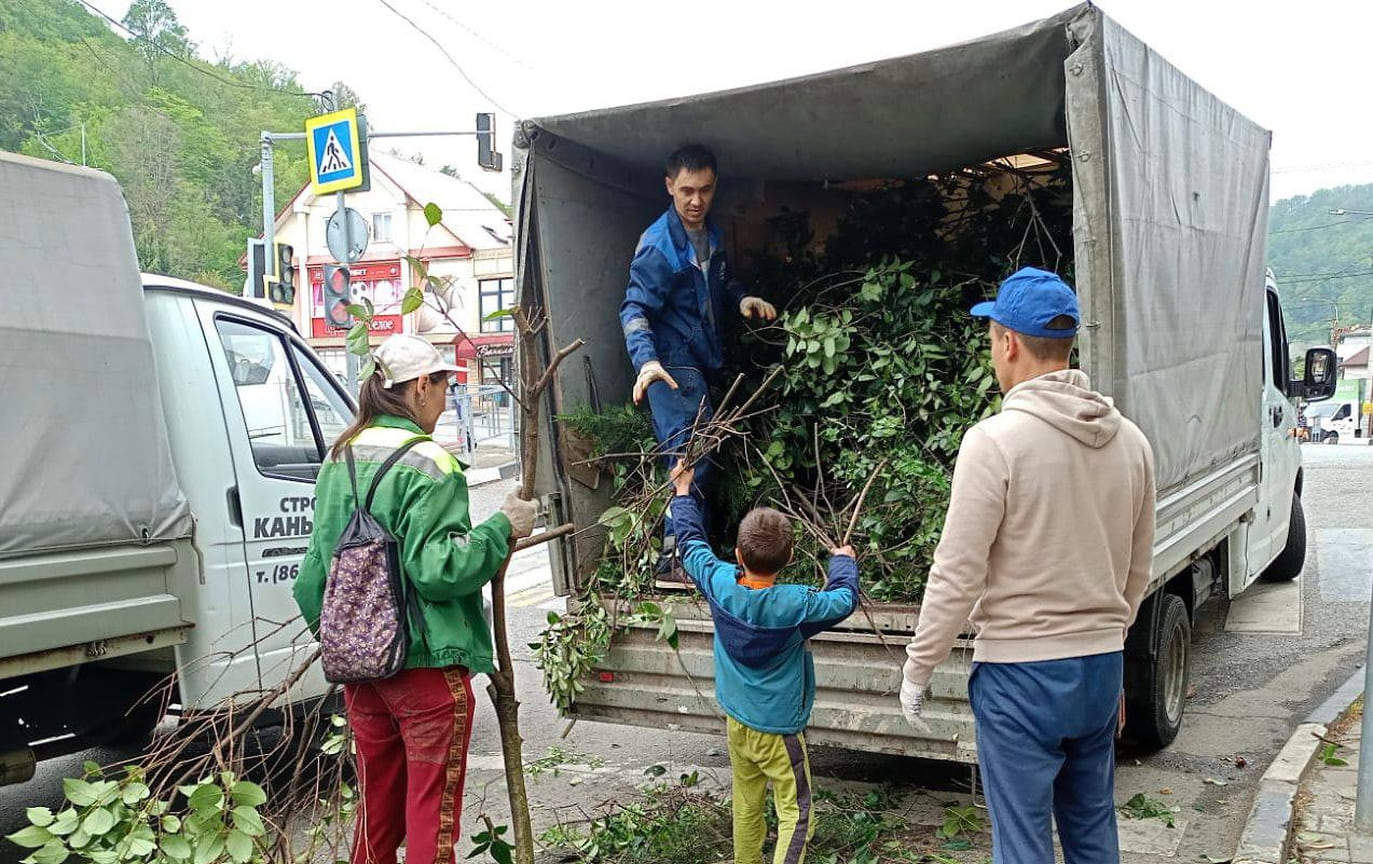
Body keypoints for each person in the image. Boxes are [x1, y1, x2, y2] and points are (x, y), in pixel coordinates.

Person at [898, 268, 1156, 864]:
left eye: (992, 337)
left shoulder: (994, 442)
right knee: (1093, 832)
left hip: (1021, 675)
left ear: (1008, 343)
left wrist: (919, 668)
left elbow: (957, 571)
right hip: (1097, 671)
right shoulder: (1133, 443)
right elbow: (1136, 569)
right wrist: (1109, 647)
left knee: (1022, 845)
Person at [294, 334, 538, 864]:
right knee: (432, 817)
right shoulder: (430, 462)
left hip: (360, 674)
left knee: (376, 816)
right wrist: (502, 526)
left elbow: (311, 582)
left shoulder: (340, 457)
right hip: (425, 671)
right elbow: (440, 571)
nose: (446, 401)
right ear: (421, 385)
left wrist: (353, 641)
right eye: (445, 387)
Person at [669, 460, 859, 864]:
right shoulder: (796, 606)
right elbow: (843, 601)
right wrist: (842, 562)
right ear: (790, 557)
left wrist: (683, 494)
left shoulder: (720, 584)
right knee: (797, 812)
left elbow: (690, 543)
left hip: (737, 722)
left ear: (737, 554)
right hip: (779, 731)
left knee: (747, 802)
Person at [620, 144, 777, 586]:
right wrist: (646, 362)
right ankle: (675, 557)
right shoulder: (658, 246)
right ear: (669, 186)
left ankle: (692, 550)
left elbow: (722, 283)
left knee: (700, 457)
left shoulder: (712, 235)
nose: (696, 201)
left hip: (700, 360)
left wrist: (743, 298)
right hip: (670, 367)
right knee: (688, 457)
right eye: (686, 190)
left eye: (705, 190)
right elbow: (633, 308)